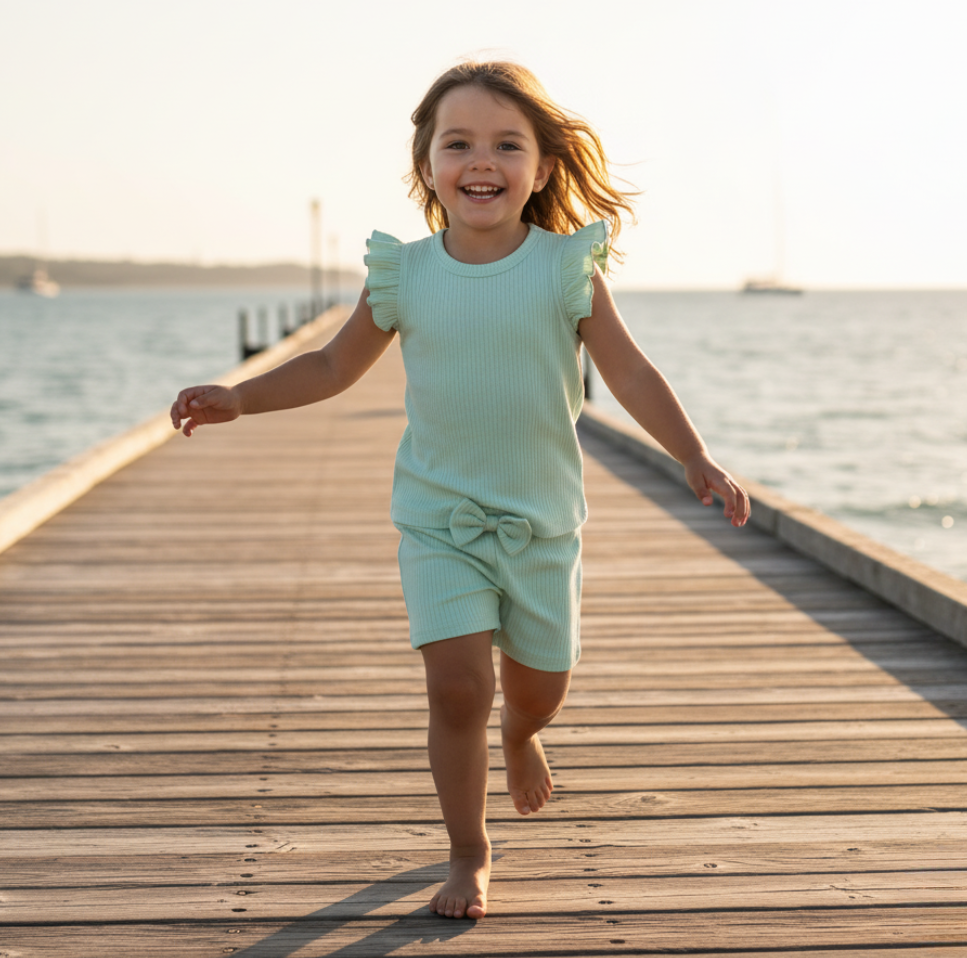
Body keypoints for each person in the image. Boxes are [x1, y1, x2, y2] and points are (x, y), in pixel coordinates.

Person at [171, 60, 750, 921]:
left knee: (538, 687)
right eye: (460, 143)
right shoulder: (403, 273)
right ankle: (469, 851)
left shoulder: (566, 269)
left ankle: (523, 736)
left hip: (542, 525)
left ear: (543, 168)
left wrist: (694, 455)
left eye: (506, 143)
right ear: (429, 165)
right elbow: (333, 366)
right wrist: (242, 397)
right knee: (455, 689)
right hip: (439, 519)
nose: (482, 160)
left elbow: (628, 369)